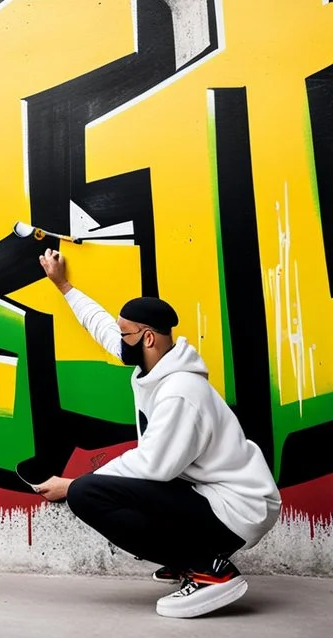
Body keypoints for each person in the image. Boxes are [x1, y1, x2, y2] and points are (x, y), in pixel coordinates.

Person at [34, 247, 280, 618]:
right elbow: (100, 326)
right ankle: (189, 555)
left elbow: (153, 466)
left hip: (237, 508)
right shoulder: (156, 367)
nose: (119, 340)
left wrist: (72, 484)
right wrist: (63, 284)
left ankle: (208, 570)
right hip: (211, 494)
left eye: (126, 333)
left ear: (147, 338)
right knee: (106, 489)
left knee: (88, 494)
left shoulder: (181, 390)